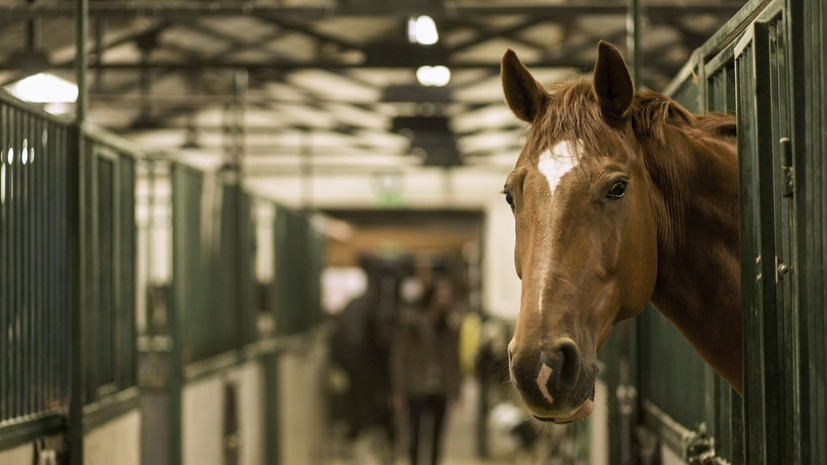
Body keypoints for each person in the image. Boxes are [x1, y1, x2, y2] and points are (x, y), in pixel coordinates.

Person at [391, 277, 461, 465]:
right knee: (415, 436)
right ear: (432, 296)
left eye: (448, 296)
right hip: (416, 387)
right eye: (441, 295)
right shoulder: (412, 324)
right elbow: (400, 358)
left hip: (440, 389)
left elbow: (454, 361)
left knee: (437, 438)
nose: (445, 300)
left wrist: (456, 391)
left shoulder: (450, 326)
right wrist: (398, 390)